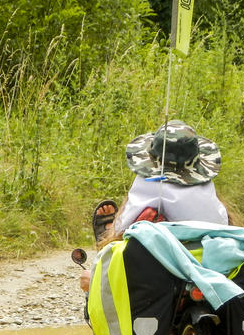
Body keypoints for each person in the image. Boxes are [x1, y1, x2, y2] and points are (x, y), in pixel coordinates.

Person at [81, 120, 230, 293]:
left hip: (157, 262)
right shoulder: (206, 185)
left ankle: (104, 245)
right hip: (206, 254)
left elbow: (126, 226)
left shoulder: (148, 182)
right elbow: (222, 221)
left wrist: (116, 230)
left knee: (131, 226)